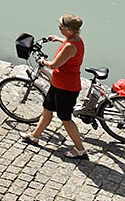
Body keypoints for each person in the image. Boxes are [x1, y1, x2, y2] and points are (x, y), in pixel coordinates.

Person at [22, 14, 88, 159]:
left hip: (67, 87)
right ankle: (35, 136)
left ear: (69, 30)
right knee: (47, 109)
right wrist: (59, 40)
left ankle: (80, 150)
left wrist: (42, 61)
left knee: (65, 118)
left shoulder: (71, 46)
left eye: (61, 28)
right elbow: (68, 44)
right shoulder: (74, 39)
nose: (59, 29)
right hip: (58, 84)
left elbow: (54, 65)